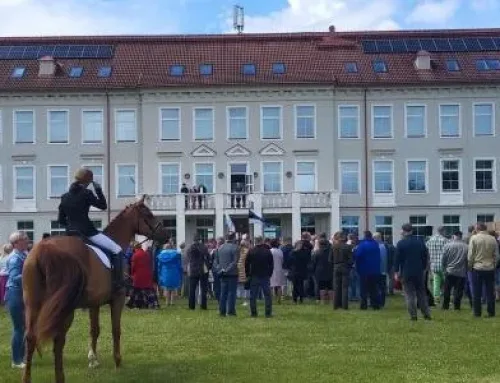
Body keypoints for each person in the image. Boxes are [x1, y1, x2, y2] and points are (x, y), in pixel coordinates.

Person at [58, 167, 124, 291]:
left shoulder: (64, 197)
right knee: (117, 249)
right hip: (87, 232)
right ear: (88, 182)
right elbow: (103, 206)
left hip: (69, 234)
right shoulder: (86, 193)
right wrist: (98, 190)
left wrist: (71, 226)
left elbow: (61, 220)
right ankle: (118, 282)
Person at [395, 223, 431, 321]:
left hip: (406, 272)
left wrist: (396, 271)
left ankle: (413, 315)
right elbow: (425, 256)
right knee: (421, 294)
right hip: (419, 271)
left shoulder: (401, 243)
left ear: (403, 231)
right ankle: (426, 314)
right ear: (412, 231)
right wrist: (424, 268)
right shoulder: (420, 242)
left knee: (409, 294)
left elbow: (397, 259)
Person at [5, 231, 29, 368]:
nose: (27, 241)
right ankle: (16, 360)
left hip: (21, 293)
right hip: (14, 293)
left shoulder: (23, 255)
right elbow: (14, 278)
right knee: (18, 328)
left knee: (23, 327)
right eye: (24, 239)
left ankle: (21, 357)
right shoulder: (15, 258)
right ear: (16, 243)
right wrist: (31, 274)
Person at [468, 222, 499, 318]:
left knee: (477, 292)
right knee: (490, 292)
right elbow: (497, 256)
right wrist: (494, 265)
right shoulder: (493, 239)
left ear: (477, 228)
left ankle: (477, 313)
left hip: (477, 267)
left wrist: (470, 266)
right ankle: (491, 312)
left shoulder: (474, 238)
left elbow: (470, 255)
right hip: (490, 268)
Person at [245, 236, 274, 318]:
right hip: (265, 275)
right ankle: (268, 313)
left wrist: (248, 274)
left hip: (254, 275)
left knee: (253, 296)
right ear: (262, 241)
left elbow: (246, 264)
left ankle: (254, 313)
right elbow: (271, 264)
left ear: (255, 241)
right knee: (267, 295)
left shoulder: (251, 251)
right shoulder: (267, 251)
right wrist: (270, 274)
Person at [214, 232, 240, 317]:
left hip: (222, 273)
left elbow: (216, 262)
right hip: (232, 273)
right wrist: (227, 270)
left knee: (223, 293)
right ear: (233, 238)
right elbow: (235, 262)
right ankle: (230, 311)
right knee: (231, 293)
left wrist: (221, 270)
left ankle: (222, 311)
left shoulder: (219, 248)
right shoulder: (235, 248)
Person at [127, 243, 159, 309]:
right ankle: (152, 304)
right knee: (148, 290)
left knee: (137, 291)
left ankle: (137, 304)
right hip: (147, 275)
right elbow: (150, 264)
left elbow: (133, 266)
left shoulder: (135, 255)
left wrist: (132, 274)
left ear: (135, 248)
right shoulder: (147, 254)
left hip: (138, 276)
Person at [441, 231, 468, 310]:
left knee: (447, 290)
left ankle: (445, 306)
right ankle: (457, 306)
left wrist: (444, 268)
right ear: (461, 236)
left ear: (453, 236)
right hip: (461, 271)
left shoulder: (447, 246)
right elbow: (467, 259)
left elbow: (443, 259)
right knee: (458, 290)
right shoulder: (466, 246)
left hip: (449, 270)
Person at [355, 231, 381, 310]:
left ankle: (364, 305)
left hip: (364, 269)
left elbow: (358, 256)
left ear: (365, 236)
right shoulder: (376, 244)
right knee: (374, 288)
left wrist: (357, 266)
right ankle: (375, 305)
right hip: (375, 269)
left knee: (363, 289)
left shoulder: (362, 245)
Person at [186, 235, 210, 310]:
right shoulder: (203, 247)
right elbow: (207, 257)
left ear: (193, 240)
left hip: (193, 269)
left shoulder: (189, 248)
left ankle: (191, 306)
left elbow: (188, 258)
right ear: (199, 240)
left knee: (192, 289)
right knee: (203, 289)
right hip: (202, 269)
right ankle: (203, 305)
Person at [426, 226, 449, 303]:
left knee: (436, 281)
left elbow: (426, 252)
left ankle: (436, 297)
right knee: (446, 282)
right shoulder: (445, 240)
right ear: (443, 231)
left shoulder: (430, 240)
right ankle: (445, 296)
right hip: (443, 265)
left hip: (433, 264)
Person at [331, 232, 353, 310]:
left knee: (336, 287)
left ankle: (336, 305)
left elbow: (330, 259)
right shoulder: (348, 247)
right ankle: (344, 306)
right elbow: (351, 260)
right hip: (345, 267)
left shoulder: (334, 247)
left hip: (336, 266)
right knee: (344, 287)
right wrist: (349, 266)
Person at [312, 233, 334, 304]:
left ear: (319, 244)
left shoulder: (316, 253)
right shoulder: (331, 251)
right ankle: (331, 300)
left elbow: (313, 263)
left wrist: (313, 271)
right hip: (330, 271)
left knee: (320, 286)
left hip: (319, 272)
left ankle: (320, 300)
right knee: (330, 286)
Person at [270, 239, 286, 304]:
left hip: (271, 269)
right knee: (279, 285)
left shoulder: (270, 251)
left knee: (271, 286)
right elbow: (282, 260)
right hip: (279, 269)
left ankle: (270, 299)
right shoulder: (280, 251)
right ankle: (279, 299)